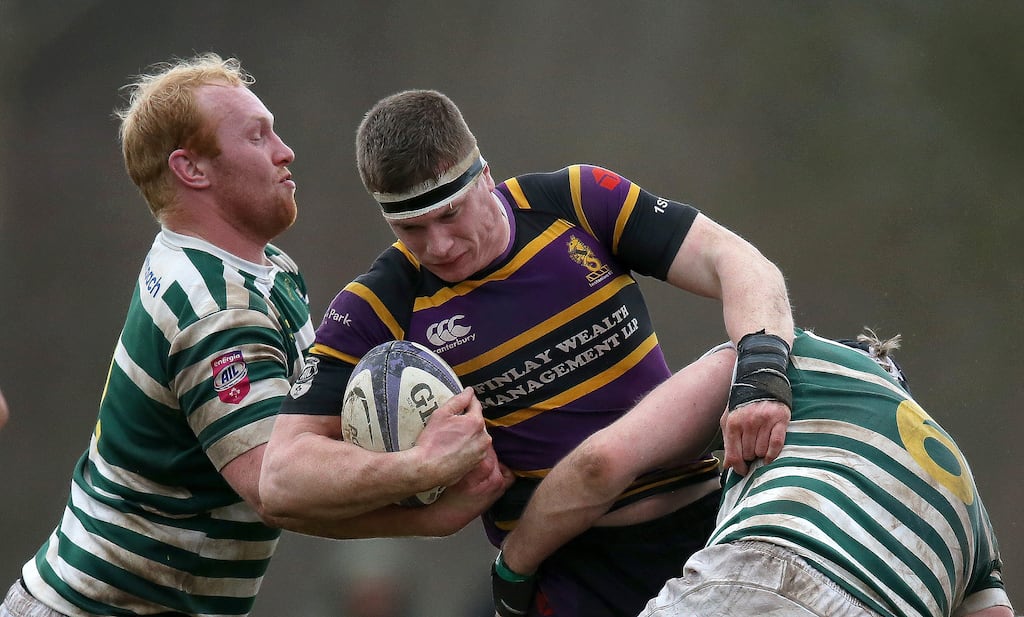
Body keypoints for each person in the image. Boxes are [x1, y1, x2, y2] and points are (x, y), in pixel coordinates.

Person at [1, 55, 505, 617]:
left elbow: (313, 432)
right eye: (257, 136)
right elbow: (279, 489)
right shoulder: (215, 306)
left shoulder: (259, 270)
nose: (284, 151)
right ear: (193, 169)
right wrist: (426, 478)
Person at [268, 89, 795, 616]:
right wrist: (419, 468)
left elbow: (737, 262)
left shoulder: (577, 201)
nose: (440, 246)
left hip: (711, 530)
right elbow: (282, 478)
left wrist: (763, 371)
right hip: (569, 573)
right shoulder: (380, 303)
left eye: (450, 215)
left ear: (484, 176)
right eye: (410, 229)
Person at [498, 328, 1013, 617]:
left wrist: (512, 571)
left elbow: (600, 464)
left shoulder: (786, 364)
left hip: (768, 580)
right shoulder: (975, 519)